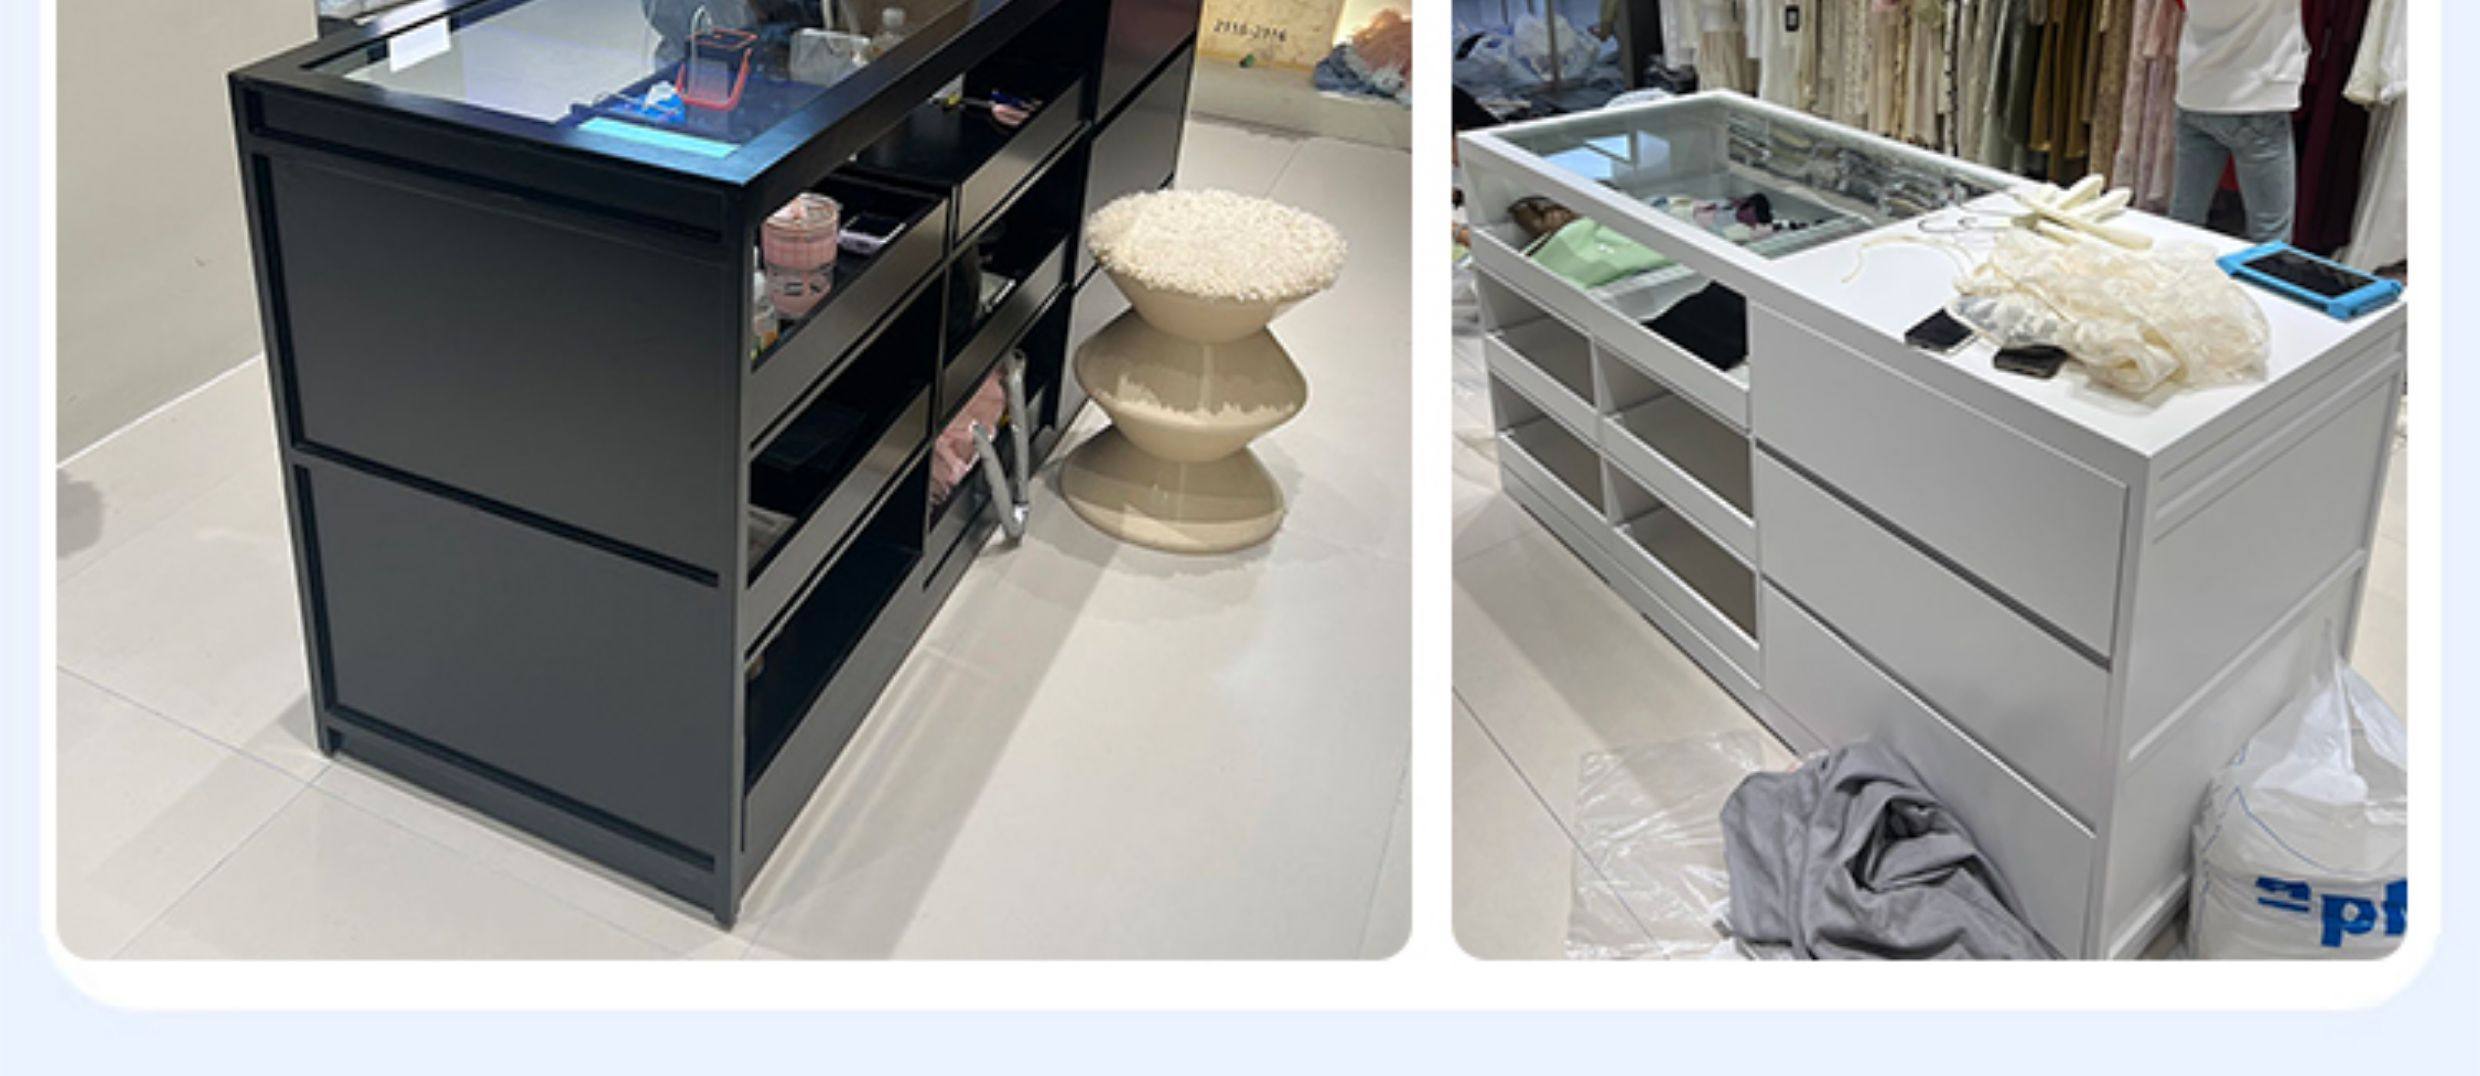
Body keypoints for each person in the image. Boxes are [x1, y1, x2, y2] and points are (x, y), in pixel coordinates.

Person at [2167, 0, 2310, 243]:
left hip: (2196, 90)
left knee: (2184, 220)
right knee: (2269, 236)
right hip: (2258, 95)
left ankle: (2168, 266)